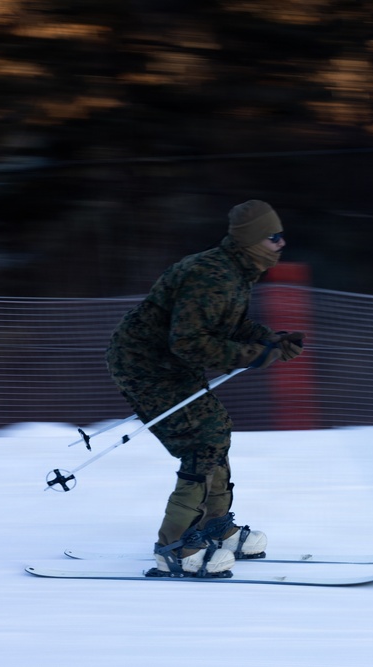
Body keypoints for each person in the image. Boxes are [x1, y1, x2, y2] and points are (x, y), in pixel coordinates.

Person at [105, 200, 305, 577]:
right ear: (251, 240)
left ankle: (214, 527)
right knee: (203, 439)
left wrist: (271, 342)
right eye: (273, 237)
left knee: (215, 429)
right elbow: (189, 342)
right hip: (145, 365)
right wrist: (252, 355)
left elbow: (227, 325)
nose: (281, 244)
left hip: (170, 364)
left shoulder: (235, 271)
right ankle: (174, 546)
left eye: (282, 236)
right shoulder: (213, 275)